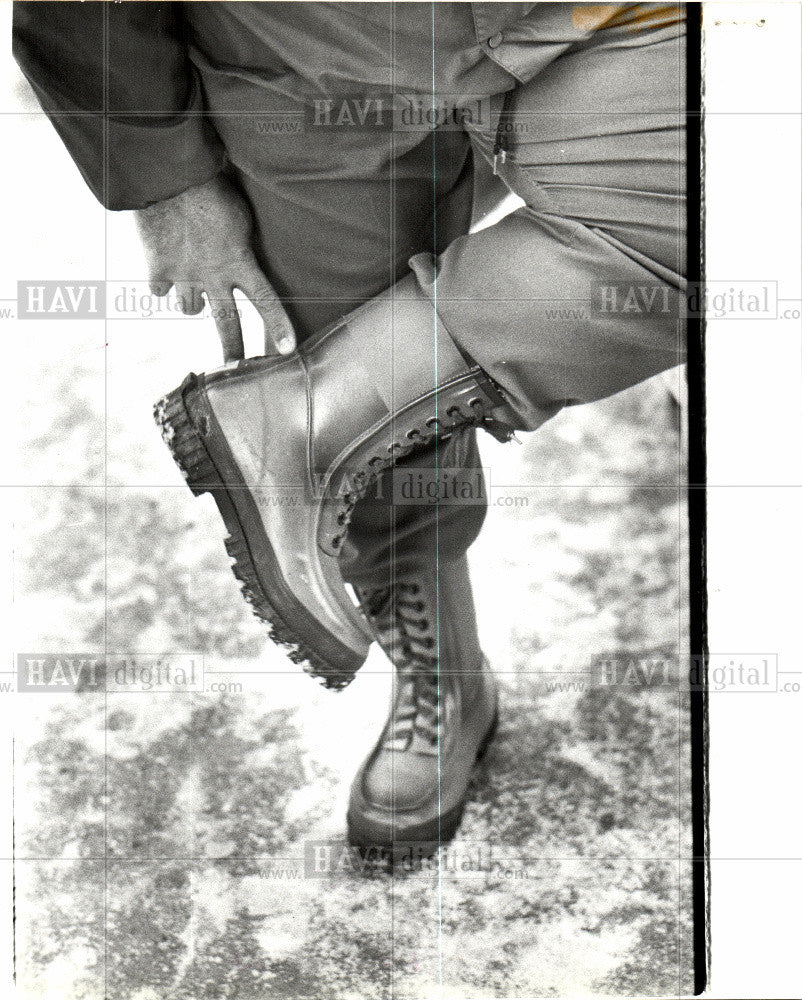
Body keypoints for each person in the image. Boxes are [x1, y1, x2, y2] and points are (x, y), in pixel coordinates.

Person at [14, 1, 687, 853]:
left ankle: (307, 419)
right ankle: (441, 673)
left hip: (592, 13)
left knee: (728, 221)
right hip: (304, 42)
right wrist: (165, 179)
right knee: (354, 355)